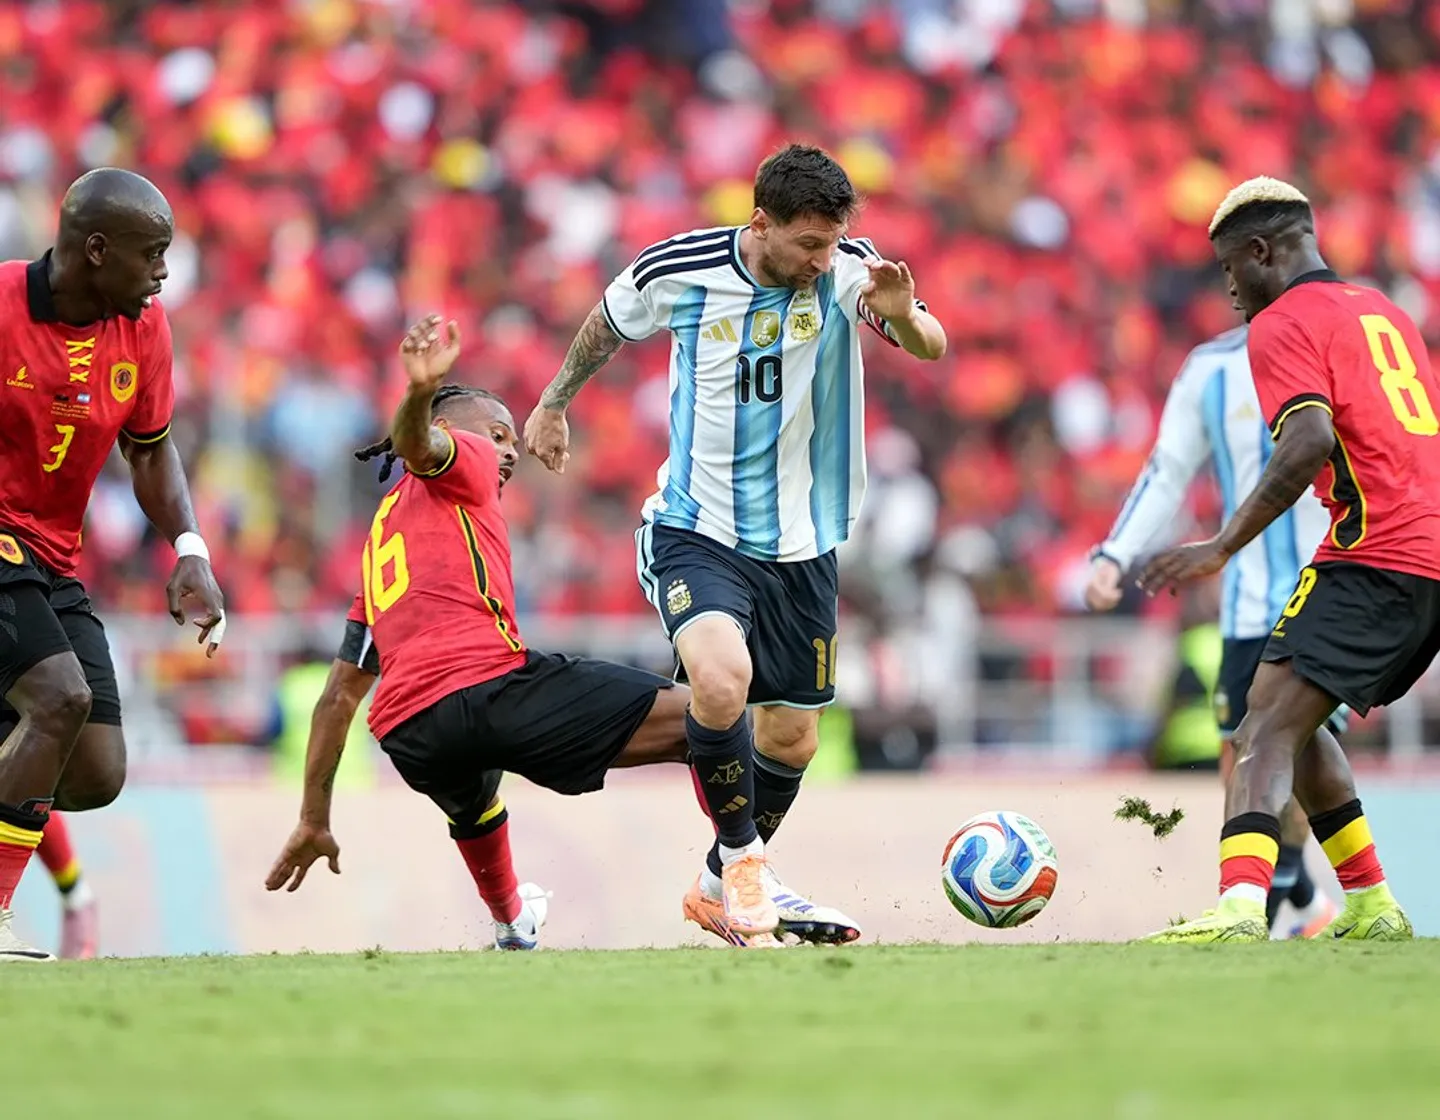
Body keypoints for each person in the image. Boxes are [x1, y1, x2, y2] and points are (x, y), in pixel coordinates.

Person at [524, 143, 946, 944]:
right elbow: (604, 327)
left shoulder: (852, 272)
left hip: (804, 543)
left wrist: (899, 314)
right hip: (697, 530)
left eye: (833, 243)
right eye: (809, 245)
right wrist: (552, 404)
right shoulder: (679, 271)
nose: (824, 260)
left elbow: (932, 346)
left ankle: (718, 881)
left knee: (793, 735)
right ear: (762, 224)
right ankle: (749, 866)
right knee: (723, 683)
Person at [270, 316, 782, 947]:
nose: (509, 450)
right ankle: (741, 872)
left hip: (410, 736)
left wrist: (312, 818)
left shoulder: (382, 550)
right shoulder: (465, 459)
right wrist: (419, 393)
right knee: (708, 714)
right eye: (499, 433)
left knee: (474, 797)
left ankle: (512, 922)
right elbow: (419, 444)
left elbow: (338, 696)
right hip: (488, 690)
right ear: (456, 432)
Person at [1139, 176, 1428, 943]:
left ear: (1261, 252)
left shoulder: (1283, 323)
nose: (1231, 293)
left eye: (1231, 271)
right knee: (1296, 723)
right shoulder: (1384, 312)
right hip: (1425, 547)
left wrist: (1220, 545)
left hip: (1378, 547)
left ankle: (1240, 908)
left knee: (1260, 725)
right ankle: (1370, 906)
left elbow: (1308, 441)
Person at [0, 169, 225, 962]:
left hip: (51, 557)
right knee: (57, 701)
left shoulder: (143, 329)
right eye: (152, 254)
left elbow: (152, 450)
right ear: (97, 251)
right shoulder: (1, 308)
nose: (163, 272)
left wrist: (190, 549)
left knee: (96, 771)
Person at [1086, 324, 1339, 938]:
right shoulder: (1211, 368)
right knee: (1243, 758)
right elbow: (1168, 469)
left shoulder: (1331, 345)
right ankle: (1298, 897)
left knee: (1297, 750)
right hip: (1246, 602)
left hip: (1328, 588)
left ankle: (1267, 910)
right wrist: (1115, 553)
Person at [265, 587, 547, 950]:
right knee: (369, 878)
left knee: (321, 888)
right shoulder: (353, 685)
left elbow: (267, 734)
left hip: (300, 796)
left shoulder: (291, 687)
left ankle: (324, 940)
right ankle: (380, 935)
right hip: (363, 791)